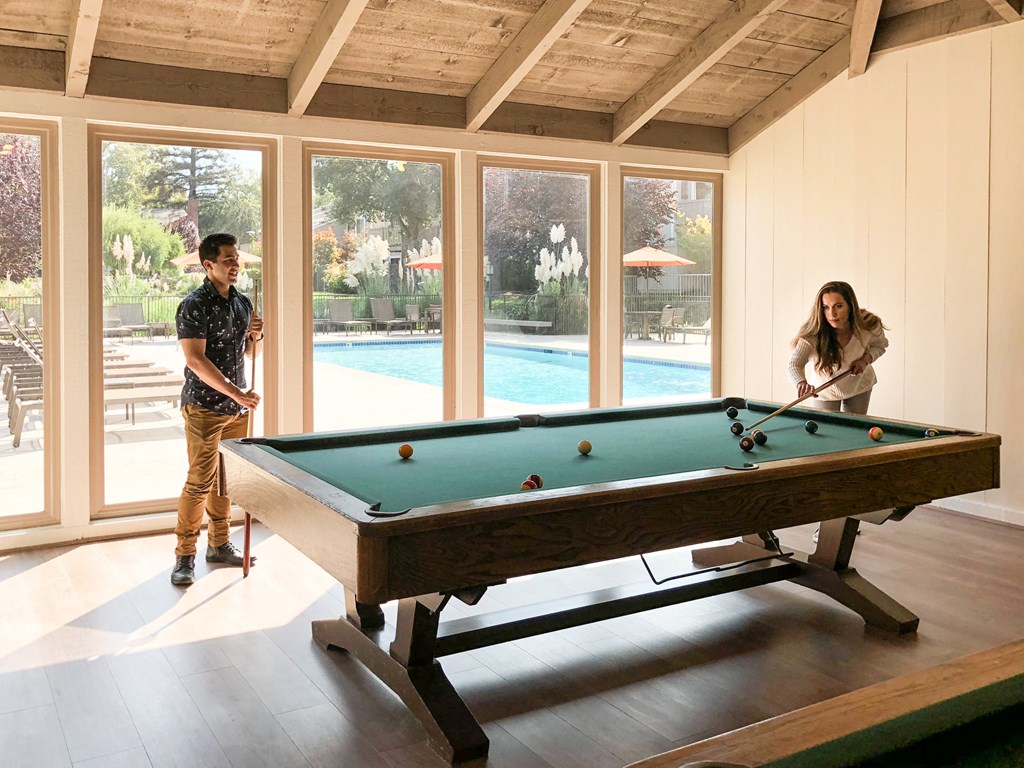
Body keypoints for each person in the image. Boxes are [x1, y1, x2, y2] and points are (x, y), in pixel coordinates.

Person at [171, 232, 263, 587]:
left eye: (236, 258)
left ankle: (220, 545)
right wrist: (237, 394)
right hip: (205, 409)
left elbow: (250, 355)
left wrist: (257, 336)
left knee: (225, 483)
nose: (235, 264)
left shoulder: (241, 302)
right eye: (228, 259)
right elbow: (195, 360)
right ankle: (184, 556)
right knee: (199, 482)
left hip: (236, 410)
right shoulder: (193, 305)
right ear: (208, 265)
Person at [788, 280, 888, 415]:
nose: (832, 314)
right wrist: (801, 383)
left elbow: (880, 345)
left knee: (853, 429)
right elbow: (794, 365)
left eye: (838, 306)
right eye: (826, 307)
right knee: (825, 431)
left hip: (859, 385)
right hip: (824, 390)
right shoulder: (813, 334)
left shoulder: (868, 324)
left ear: (850, 306)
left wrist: (865, 360)